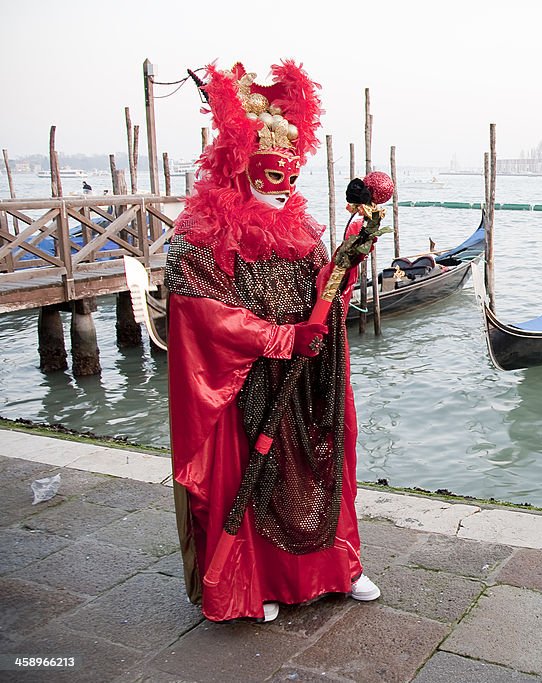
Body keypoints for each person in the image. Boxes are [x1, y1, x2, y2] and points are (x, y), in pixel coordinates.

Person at [164, 60, 379, 623]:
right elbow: (201, 313)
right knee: (253, 483)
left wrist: (347, 265)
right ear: (240, 171)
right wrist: (279, 336)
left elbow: (323, 296)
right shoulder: (200, 240)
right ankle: (252, 584)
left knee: (321, 470)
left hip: (309, 379)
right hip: (245, 381)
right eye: (269, 177)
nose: (283, 191)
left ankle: (338, 569)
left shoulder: (302, 233)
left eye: (289, 175)